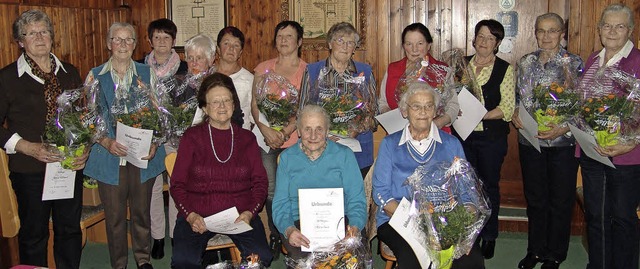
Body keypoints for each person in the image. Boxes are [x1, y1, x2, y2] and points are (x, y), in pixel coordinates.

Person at [0, 9, 86, 268]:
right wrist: (26, 146)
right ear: (20, 42)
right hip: (30, 170)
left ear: (52, 37)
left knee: (69, 230)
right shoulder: (6, 78)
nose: (39, 37)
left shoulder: (69, 72)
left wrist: (84, 149)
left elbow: (82, 119)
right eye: (31, 33)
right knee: (34, 235)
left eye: (44, 31)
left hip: (68, 166)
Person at [373, 83, 483, 269]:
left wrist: (464, 227)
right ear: (405, 111)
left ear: (435, 111)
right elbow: (381, 193)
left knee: (471, 260)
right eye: (416, 106)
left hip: (445, 220)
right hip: (400, 220)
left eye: (428, 106)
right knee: (413, 258)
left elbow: (466, 191)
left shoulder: (451, 144)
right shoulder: (390, 144)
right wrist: (416, 216)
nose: (423, 111)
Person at [83, 22, 166, 269]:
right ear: (109, 44)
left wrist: (154, 141)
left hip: (142, 156)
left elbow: (161, 113)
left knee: (141, 212)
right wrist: (106, 141)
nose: (122, 44)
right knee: (116, 216)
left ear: (134, 44)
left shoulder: (148, 73)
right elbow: (89, 117)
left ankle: (143, 259)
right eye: (117, 40)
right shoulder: (94, 75)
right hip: (109, 157)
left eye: (128, 39)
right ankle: (119, 264)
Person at [170, 73, 272, 268]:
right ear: (204, 108)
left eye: (227, 100)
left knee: (260, 258)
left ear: (234, 105)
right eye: (215, 102)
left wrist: (250, 213)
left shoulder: (247, 139)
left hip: (240, 215)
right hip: (197, 215)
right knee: (184, 262)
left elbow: (260, 183)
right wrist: (190, 215)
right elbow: (177, 185)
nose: (222, 106)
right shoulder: (191, 138)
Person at [511, 13, 584, 269]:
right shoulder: (526, 62)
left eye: (552, 31)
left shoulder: (573, 64)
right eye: (542, 31)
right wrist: (516, 114)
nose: (546, 36)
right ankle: (535, 250)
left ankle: (555, 253)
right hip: (530, 141)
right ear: (536, 33)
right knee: (536, 198)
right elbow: (518, 100)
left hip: (562, 143)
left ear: (562, 33)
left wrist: (562, 127)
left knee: (560, 200)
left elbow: (580, 106)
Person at [577, 4, 640, 269]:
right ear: (599, 29)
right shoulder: (593, 59)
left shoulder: (637, 62)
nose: (612, 31)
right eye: (607, 25)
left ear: (631, 30)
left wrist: (630, 141)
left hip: (626, 156)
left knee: (623, 218)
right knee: (596, 216)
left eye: (620, 26)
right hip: (592, 152)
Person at [272, 104, 367, 262]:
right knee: (306, 261)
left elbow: (357, 199)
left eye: (319, 129)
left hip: (341, 221)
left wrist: (355, 227)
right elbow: (281, 204)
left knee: (351, 259)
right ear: (299, 131)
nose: (313, 135)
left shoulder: (344, 156)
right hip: (299, 224)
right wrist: (289, 230)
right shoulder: (288, 158)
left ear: (328, 131)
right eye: (307, 129)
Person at [454, 19, 515, 260]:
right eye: (480, 36)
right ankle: (469, 233)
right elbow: (450, 95)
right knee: (465, 187)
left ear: (498, 43)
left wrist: (480, 114)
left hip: (491, 138)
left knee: (488, 187)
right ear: (474, 38)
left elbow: (507, 107)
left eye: (490, 38)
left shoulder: (505, 69)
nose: (484, 42)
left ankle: (489, 235)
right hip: (463, 136)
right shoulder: (461, 66)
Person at [251, 20, 308, 258]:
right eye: (280, 36)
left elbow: (304, 108)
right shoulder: (263, 68)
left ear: (299, 42)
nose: (283, 40)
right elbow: (254, 104)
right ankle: (276, 234)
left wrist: (284, 133)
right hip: (265, 139)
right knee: (271, 190)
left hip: (295, 140)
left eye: (289, 36)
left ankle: (293, 234)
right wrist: (266, 130)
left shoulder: (307, 70)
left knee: (293, 189)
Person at [137, 18, 188, 260]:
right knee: (154, 188)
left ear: (173, 42)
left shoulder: (184, 69)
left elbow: (189, 104)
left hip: (176, 137)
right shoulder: (138, 68)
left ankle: (176, 235)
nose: (161, 42)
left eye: (166, 38)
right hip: (149, 136)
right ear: (149, 40)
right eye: (156, 37)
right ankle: (157, 237)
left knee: (176, 185)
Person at [299, 22, 377, 177]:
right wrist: (324, 132)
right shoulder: (313, 71)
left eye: (350, 43)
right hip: (321, 146)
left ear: (354, 48)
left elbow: (374, 113)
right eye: (340, 41)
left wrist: (358, 128)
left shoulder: (365, 72)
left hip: (358, 149)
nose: (345, 46)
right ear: (330, 43)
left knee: (354, 197)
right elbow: (302, 112)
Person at [378, 22, 459, 130]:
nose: (414, 49)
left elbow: (453, 106)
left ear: (428, 45)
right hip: (398, 134)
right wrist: (389, 115)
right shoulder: (392, 69)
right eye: (409, 44)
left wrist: (437, 124)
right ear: (403, 46)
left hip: (436, 133)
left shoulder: (442, 71)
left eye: (420, 43)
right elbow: (382, 102)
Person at [216, 26, 253, 130]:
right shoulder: (207, 76)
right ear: (218, 49)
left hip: (240, 135)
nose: (231, 48)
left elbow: (254, 116)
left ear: (240, 52)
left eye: (236, 45)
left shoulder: (249, 80)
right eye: (226, 43)